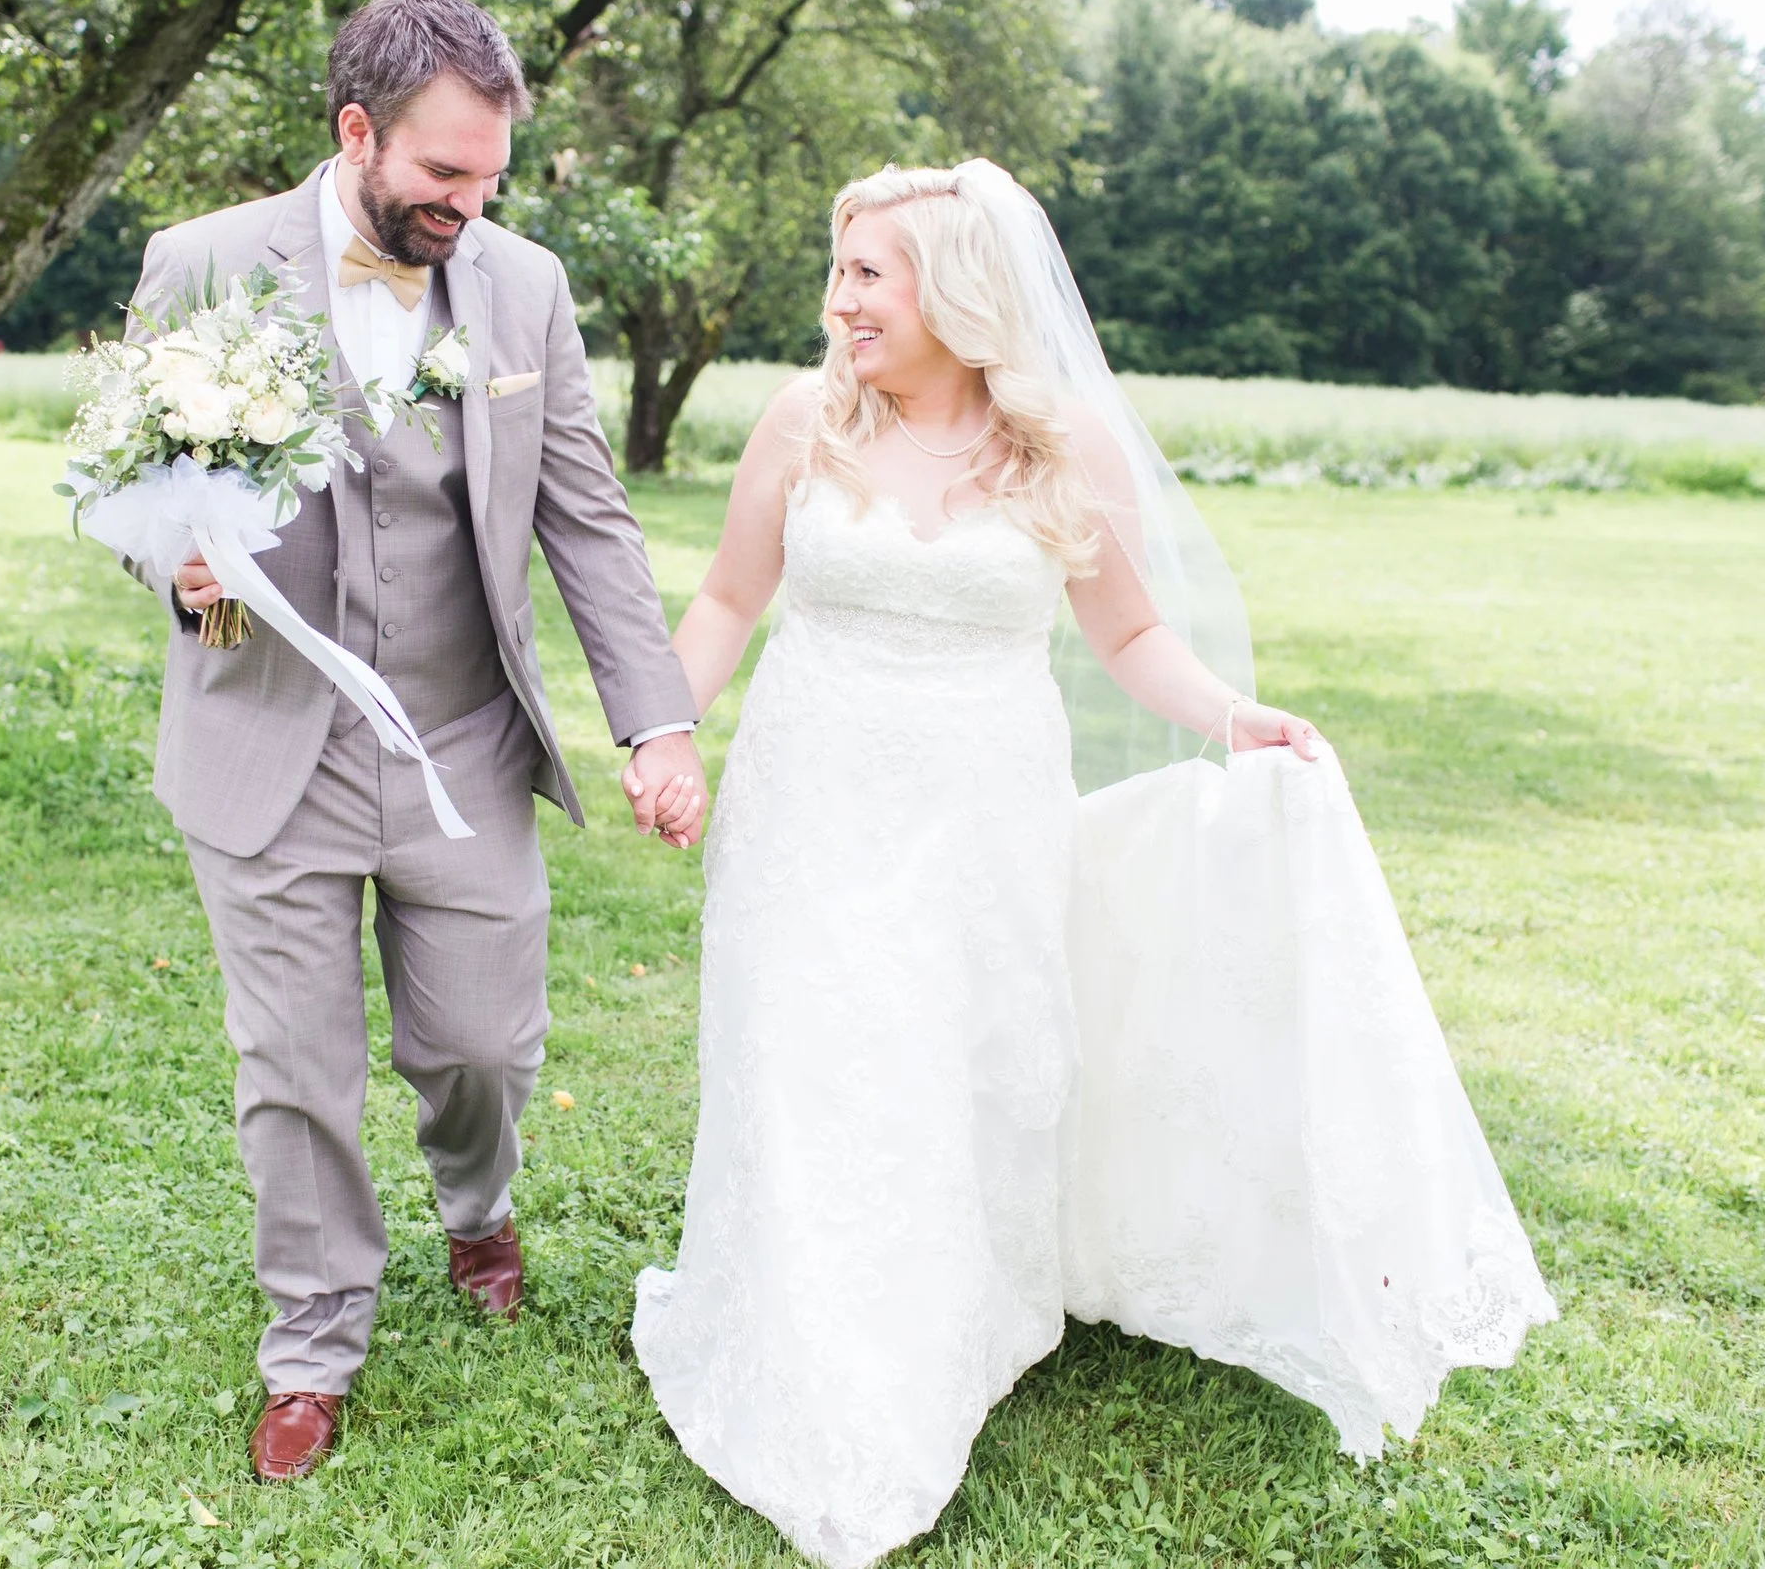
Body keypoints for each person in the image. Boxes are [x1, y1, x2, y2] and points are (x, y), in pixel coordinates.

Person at [626, 162, 1555, 1566]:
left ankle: (950, 1324)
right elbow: (725, 597)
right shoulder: (803, 422)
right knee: (812, 1058)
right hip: (810, 800)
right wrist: (664, 729)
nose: (838, 301)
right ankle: (820, 1367)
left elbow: (1128, 636)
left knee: (957, 1066)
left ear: (955, 290)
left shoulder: (1060, 451)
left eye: (868, 274)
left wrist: (1233, 716)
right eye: (840, 270)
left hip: (983, 820)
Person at [114, 0, 705, 1484]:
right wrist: (174, 564)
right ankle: (313, 1343)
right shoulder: (200, 264)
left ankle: (475, 1199)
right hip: (267, 738)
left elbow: (587, 517)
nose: (469, 205)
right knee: (296, 1064)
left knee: (480, 1045)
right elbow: (122, 480)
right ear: (356, 132)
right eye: (444, 174)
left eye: (490, 176)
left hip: (462, 741)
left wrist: (654, 721)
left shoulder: (524, 286)